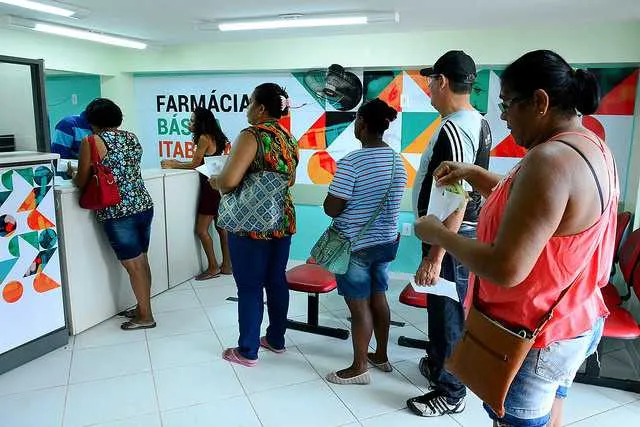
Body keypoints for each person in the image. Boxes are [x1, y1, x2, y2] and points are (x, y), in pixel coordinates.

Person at [414, 50, 617, 427]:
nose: (503, 117)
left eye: (507, 105)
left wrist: (438, 235)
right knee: (552, 415)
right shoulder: (590, 145)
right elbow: (540, 210)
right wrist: (477, 175)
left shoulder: (549, 160)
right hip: (577, 317)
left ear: (540, 102)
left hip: (536, 335)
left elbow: (505, 268)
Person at [407, 50, 492, 417]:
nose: (428, 88)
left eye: (430, 81)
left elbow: (459, 195)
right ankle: (439, 365)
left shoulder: (456, 127)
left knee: (449, 314)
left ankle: (451, 391)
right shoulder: (477, 122)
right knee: (443, 309)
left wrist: (435, 254)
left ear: (442, 81)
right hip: (450, 236)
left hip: (450, 240)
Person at [210, 83, 298, 367]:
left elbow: (229, 181)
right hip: (281, 221)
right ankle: (276, 339)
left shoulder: (252, 135)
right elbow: (291, 180)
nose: (247, 108)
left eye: (250, 103)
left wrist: (215, 180)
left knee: (249, 286)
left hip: (250, 224)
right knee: (276, 281)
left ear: (261, 108)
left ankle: (247, 350)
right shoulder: (288, 138)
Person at [322, 98, 407, 385]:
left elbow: (332, 208)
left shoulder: (352, 162)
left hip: (354, 246)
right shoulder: (398, 161)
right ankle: (381, 356)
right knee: (379, 297)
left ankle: (359, 367)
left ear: (361, 123)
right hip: (385, 243)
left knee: (359, 307)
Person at [69, 98, 156, 331]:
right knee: (142, 261)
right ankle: (142, 307)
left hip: (118, 210)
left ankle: (145, 316)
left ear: (91, 120)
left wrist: (73, 172)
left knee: (134, 265)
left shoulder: (92, 141)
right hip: (143, 204)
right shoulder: (131, 138)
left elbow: (81, 180)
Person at [161, 107, 232, 280]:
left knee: (201, 229)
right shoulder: (217, 137)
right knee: (222, 228)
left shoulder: (203, 138)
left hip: (209, 188)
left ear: (201, 122)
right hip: (219, 186)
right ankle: (228, 265)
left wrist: (173, 163)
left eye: (192, 120)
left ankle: (213, 267)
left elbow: (195, 164)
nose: (189, 123)